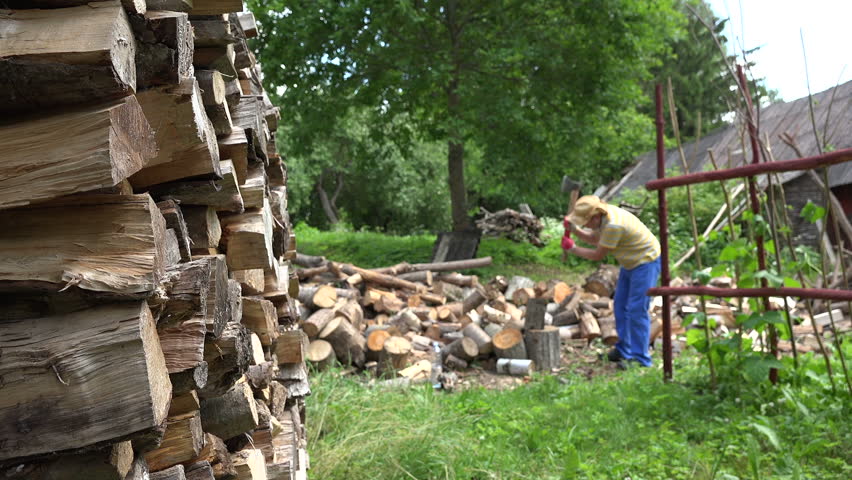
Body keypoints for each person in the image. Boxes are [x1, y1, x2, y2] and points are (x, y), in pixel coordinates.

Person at [562, 195, 661, 368]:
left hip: (646, 262)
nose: (584, 225)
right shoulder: (604, 218)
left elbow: (597, 254)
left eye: (584, 222)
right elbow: (595, 239)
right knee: (620, 305)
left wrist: (573, 248)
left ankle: (640, 359)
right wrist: (575, 230)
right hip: (630, 262)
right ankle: (624, 350)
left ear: (595, 216)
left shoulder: (613, 225)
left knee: (637, 310)